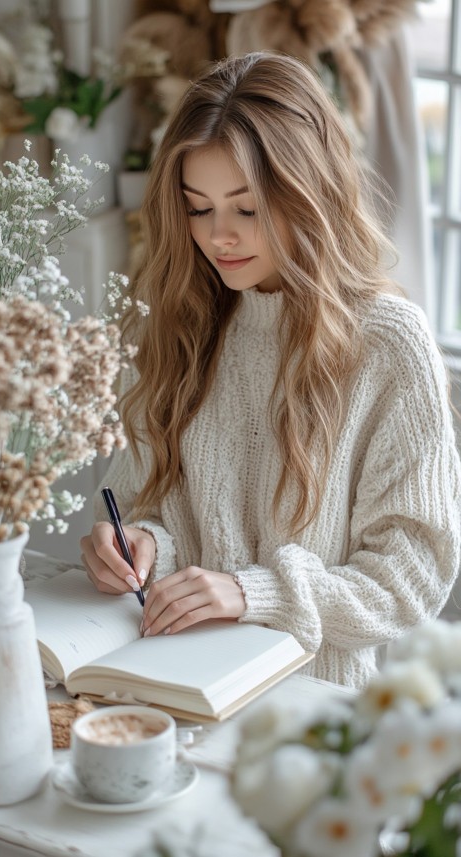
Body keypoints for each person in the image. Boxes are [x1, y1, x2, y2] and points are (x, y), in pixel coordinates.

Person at [81, 51, 461, 690]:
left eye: (247, 208)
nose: (218, 236)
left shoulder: (388, 342)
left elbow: (411, 575)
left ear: (311, 191)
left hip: (305, 710)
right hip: (172, 676)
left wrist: (252, 593)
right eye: (198, 208)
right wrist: (139, 547)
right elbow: (144, 500)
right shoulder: (172, 322)